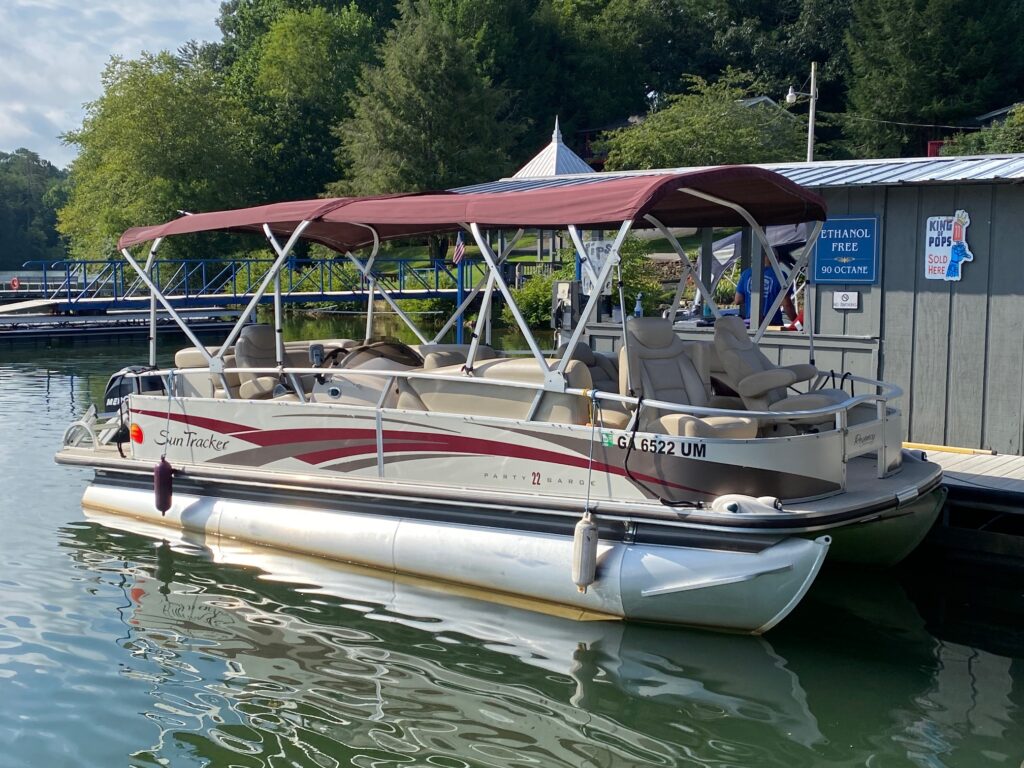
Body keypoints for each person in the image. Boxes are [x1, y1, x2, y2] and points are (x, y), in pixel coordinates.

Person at [734, 255, 796, 326]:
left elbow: (738, 300)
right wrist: (797, 322)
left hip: (752, 323)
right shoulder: (780, 275)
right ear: (773, 258)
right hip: (773, 325)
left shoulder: (746, 274)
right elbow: (786, 304)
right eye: (777, 258)